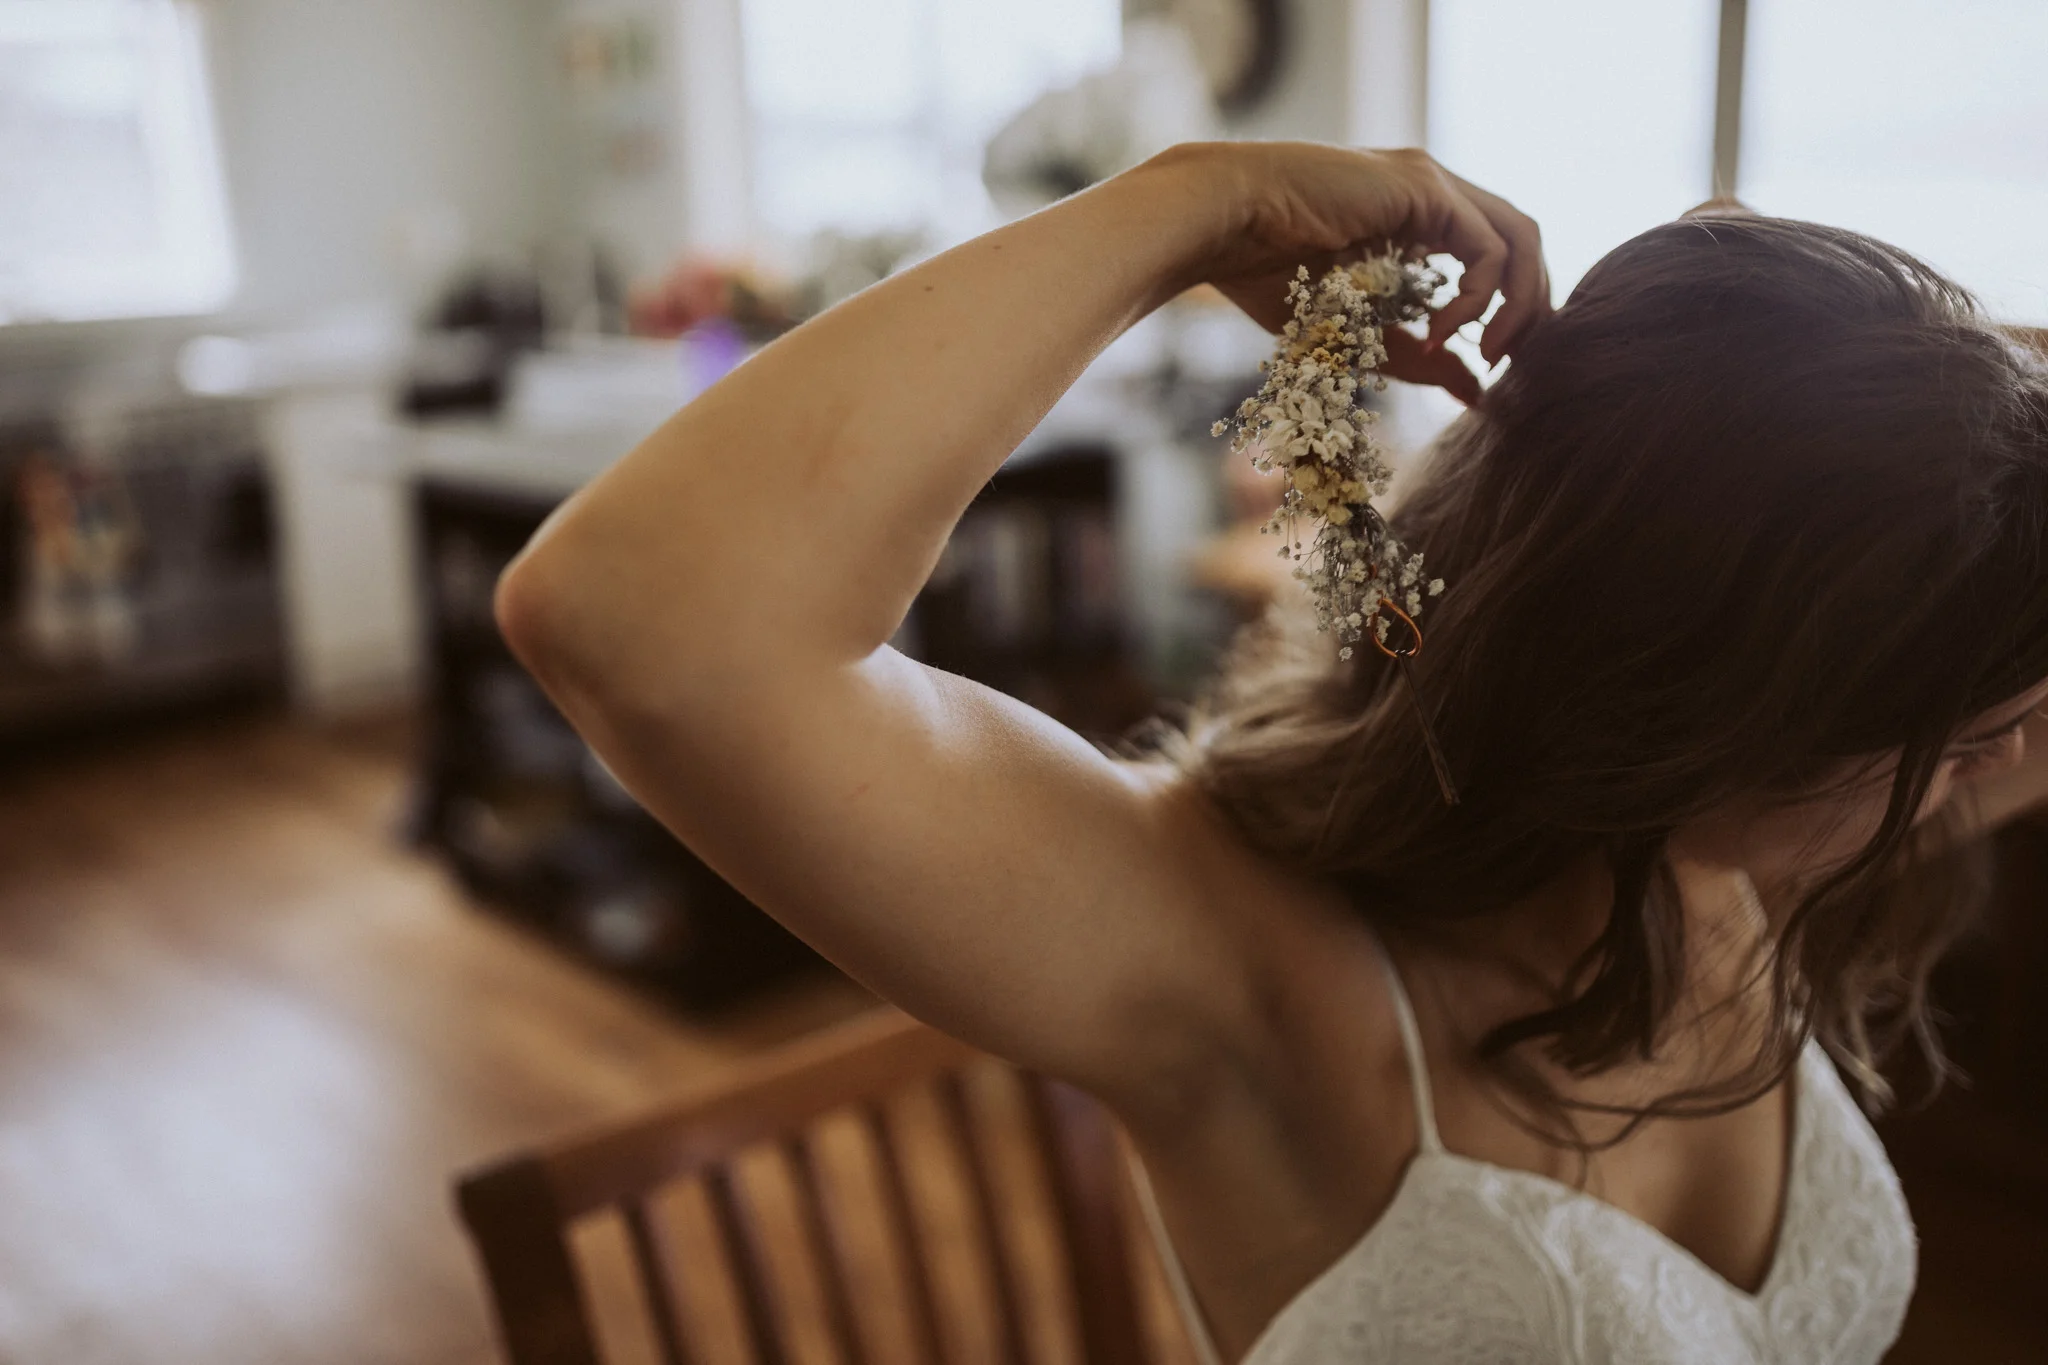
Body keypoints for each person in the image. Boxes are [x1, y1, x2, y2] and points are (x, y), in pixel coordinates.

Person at [491, 142, 2048, 1363]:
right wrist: (1193, 205)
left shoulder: (1731, 852)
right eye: (1972, 743)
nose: (2003, 763)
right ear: (1702, 719)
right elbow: (645, 624)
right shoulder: (1230, 963)